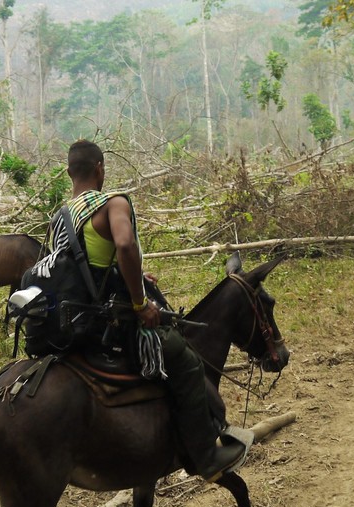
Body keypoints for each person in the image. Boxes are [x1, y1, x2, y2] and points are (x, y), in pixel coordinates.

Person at [57, 139, 247, 482]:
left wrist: (125, 273)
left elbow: (82, 267)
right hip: (106, 323)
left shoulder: (61, 215)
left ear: (69, 172)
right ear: (101, 169)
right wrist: (140, 303)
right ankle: (206, 455)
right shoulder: (111, 204)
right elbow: (125, 244)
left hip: (70, 321)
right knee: (186, 360)